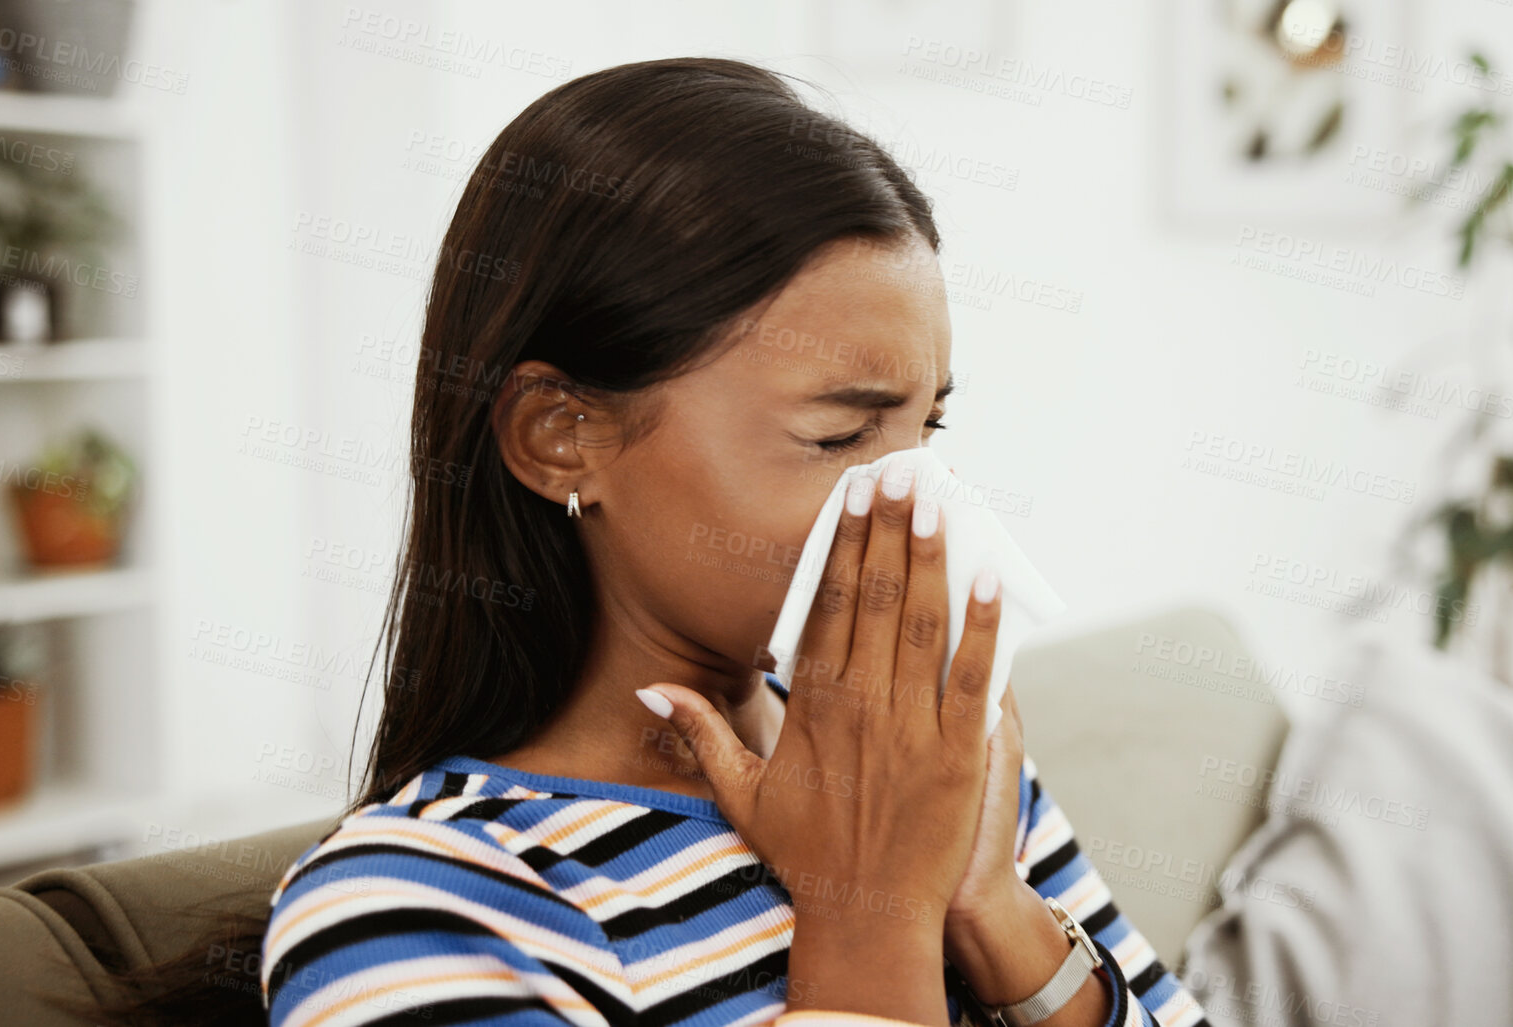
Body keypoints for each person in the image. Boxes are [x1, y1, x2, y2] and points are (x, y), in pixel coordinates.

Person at [254, 57, 1210, 1027]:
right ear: (559, 436)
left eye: (926, 429)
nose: (920, 502)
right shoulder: (413, 912)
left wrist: (993, 912)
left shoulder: (923, 762)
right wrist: (866, 916)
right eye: (838, 436)